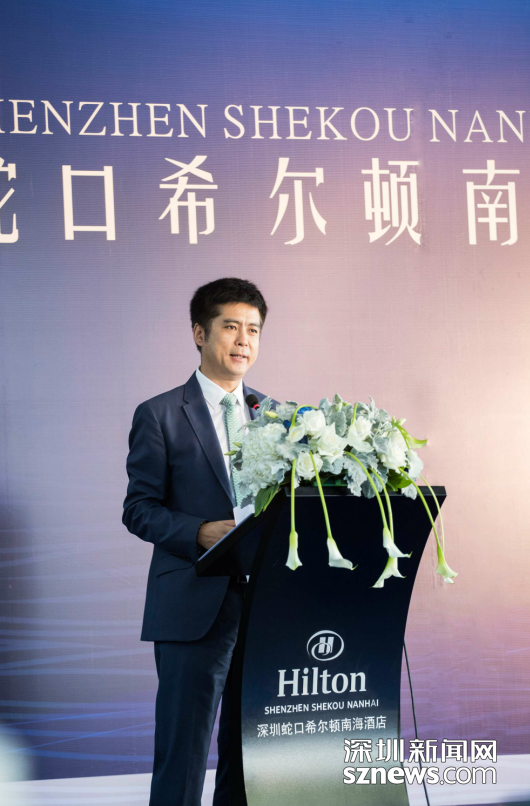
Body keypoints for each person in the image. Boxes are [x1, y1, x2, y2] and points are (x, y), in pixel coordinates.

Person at [122, 277, 270, 806]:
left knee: (253, 751)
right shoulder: (160, 414)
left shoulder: (277, 415)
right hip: (192, 600)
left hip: (266, 605)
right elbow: (138, 509)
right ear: (199, 333)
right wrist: (200, 531)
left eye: (253, 329)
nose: (243, 340)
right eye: (230, 327)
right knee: (183, 752)